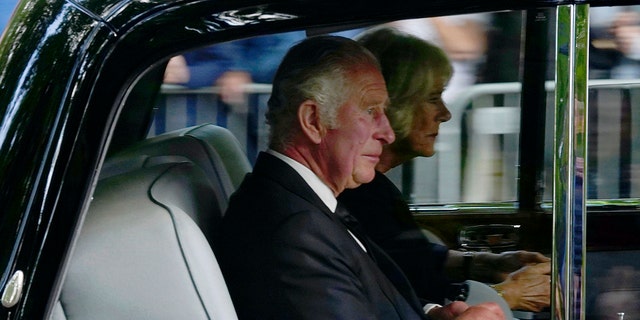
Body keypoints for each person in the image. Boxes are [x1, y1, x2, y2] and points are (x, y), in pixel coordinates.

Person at [215, 34, 505, 320]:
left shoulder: (307, 204)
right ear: (314, 120)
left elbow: (373, 296)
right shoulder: (295, 232)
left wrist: (432, 314)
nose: (388, 132)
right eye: (370, 111)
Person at [338, 27, 551, 312]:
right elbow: (404, 298)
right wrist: (506, 294)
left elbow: (408, 258)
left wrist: (485, 263)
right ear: (394, 103)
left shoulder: (373, 188)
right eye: (432, 98)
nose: (446, 113)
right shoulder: (355, 195)